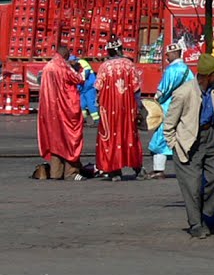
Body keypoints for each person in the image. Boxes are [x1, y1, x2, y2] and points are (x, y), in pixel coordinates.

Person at [163, 53, 214, 239]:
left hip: (209, 137)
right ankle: (195, 224)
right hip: (188, 142)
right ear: (209, 75)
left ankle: (204, 213)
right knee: (192, 187)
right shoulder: (183, 93)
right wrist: (174, 145)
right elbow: (169, 124)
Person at [94, 36, 144, 181]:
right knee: (129, 135)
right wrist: (138, 106)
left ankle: (115, 170)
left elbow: (98, 88)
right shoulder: (129, 65)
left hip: (109, 109)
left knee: (111, 137)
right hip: (127, 108)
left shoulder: (104, 67)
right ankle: (137, 167)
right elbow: (136, 89)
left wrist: (98, 106)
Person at [143, 40, 194, 180]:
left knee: (161, 137)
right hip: (185, 108)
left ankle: (158, 170)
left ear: (173, 54)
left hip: (169, 107)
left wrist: (153, 102)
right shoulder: (187, 70)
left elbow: (162, 90)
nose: (166, 57)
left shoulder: (171, 70)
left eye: (168, 54)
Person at [37, 45, 86, 180]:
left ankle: (55, 172)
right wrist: (78, 68)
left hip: (50, 110)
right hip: (66, 108)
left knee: (55, 140)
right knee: (70, 139)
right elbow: (79, 79)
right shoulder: (64, 67)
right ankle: (71, 172)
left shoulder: (48, 66)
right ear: (65, 55)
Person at [75, 56, 100, 125]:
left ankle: (97, 120)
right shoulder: (73, 66)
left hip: (89, 87)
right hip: (82, 88)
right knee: (82, 105)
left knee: (91, 104)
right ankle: (83, 119)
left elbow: (87, 72)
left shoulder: (81, 62)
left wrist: (83, 80)